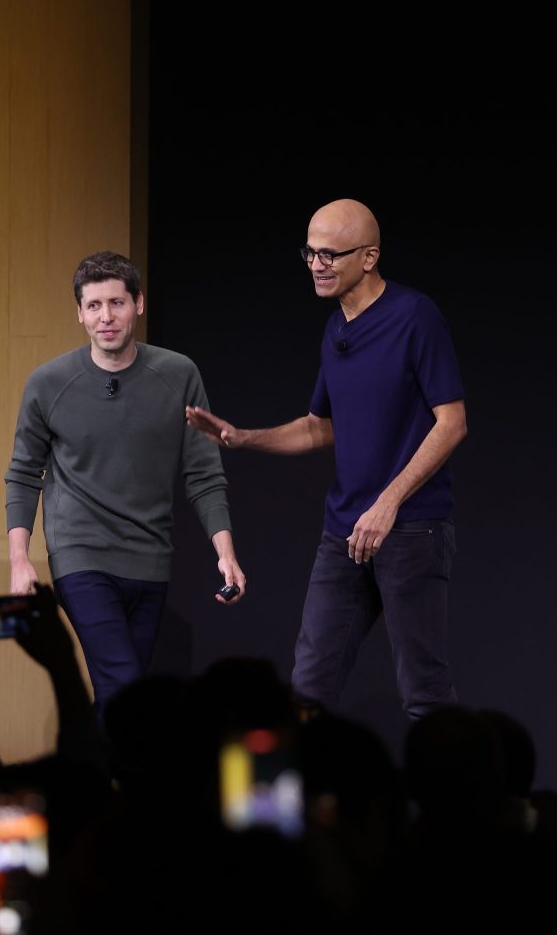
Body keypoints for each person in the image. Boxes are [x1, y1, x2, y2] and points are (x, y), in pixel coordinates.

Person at [186, 199, 466, 719]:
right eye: (309, 253)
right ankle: (302, 800)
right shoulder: (335, 328)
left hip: (410, 529)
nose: (316, 264)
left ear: (369, 257)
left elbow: (452, 422)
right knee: (308, 688)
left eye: (330, 254)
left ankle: (453, 800)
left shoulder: (414, 316)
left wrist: (387, 504)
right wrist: (240, 437)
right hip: (344, 532)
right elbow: (319, 428)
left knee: (425, 693)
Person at [5, 251, 246, 716]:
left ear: (139, 303)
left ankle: (101, 780)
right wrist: (20, 559)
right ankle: (126, 784)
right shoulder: (48, 382)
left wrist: (226, 552)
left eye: (116, 303)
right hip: (81, 555)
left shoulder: (178, 375)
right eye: (93, 306)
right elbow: (22, 472)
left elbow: (203, 472)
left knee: (123, 696)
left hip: (150, 558)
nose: (105, 317)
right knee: (123, 685)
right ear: (79, 313)